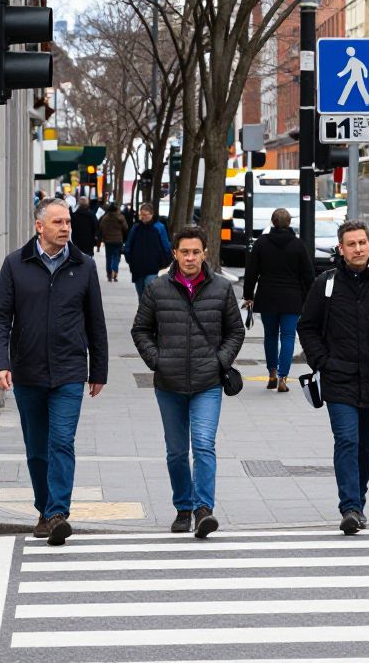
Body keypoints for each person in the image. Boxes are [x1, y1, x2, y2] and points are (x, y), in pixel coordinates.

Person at [0, 198, 108, 546]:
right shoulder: (15, 264)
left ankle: (57, 513)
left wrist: (98, 369)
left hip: (70, 371)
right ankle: (43, 507)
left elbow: (95, 322)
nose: (66, 227)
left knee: (61, 442)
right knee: (37, 448)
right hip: (27, 372)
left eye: (67, 221)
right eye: (57, 222)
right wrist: (0, 363)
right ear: (39, 226)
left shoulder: (83, 265)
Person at [297, 219, 369, 535]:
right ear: (341, 248)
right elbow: (306, 326)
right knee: (347, 440)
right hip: (339, 379)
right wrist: (322, 361)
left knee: (367, 446)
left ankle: (357, 501)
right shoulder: (327, 283)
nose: (358, 248)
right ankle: (349, 507)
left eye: (362, 242)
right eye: (351, 244)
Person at [131, 225, 245, 537]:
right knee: (177, 450)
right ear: (175, 254)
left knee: (204, 445)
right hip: (169, 383)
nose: (190, 257)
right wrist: (157, 360)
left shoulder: (221, 288)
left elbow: (236, 330)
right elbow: (140, 329)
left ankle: (203, 509)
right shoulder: (157, 288)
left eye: (196, 252)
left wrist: (220, 361)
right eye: (185, 252)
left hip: (208, 382)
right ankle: (183, 507)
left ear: (205, 253)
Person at [242, 208, 315, 392]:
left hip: (267, 297)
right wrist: (309, 298)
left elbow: (251, 272)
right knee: (289, 336)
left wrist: (249, 295)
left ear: (273, 222)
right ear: (289, 223)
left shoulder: (261, 243)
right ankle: (283, 377)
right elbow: (308, 274)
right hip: (292, 298)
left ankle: (272, 373)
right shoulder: (298, 245)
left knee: (271, 336)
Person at [124, 202, 172, 298]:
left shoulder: (159, 227)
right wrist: (129, 259)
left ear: (152, 214)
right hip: (137, 266)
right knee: (140, 293)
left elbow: (165, 245)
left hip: (152, 266)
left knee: (149, 291)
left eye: (146, 215)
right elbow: (129, 244)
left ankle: (148, 312)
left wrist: (166, 260)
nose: (143, 217)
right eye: (142, 215)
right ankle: (143, 312)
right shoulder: (136, 228)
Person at [98, 203, 129, 282]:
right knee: (116, 257)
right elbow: (126, 228)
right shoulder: (120, 217)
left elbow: (101, 228)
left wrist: (102, 237)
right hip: (118, 240)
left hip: (108, 241)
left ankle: (109, 274)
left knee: (108, 257)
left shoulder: (105, 218)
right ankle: (114, 272)